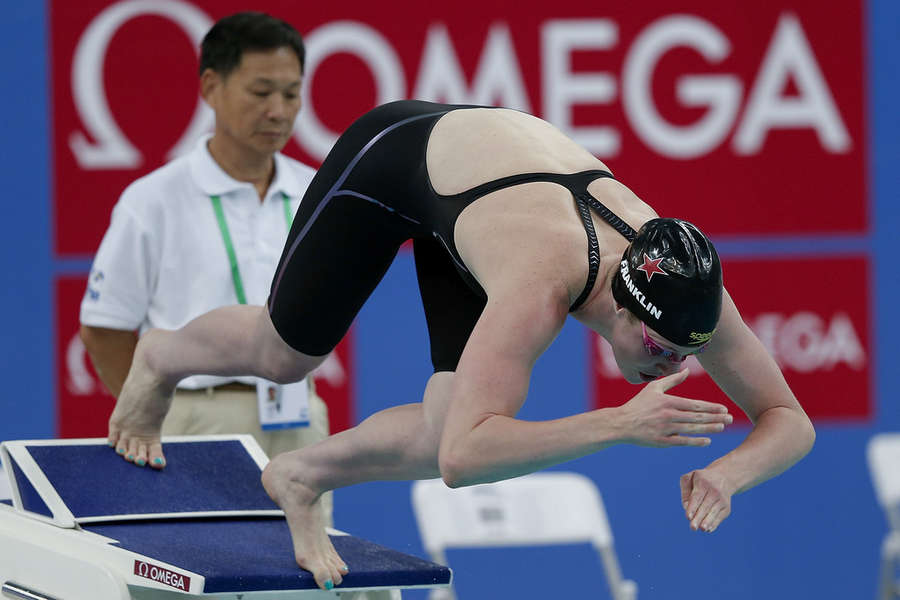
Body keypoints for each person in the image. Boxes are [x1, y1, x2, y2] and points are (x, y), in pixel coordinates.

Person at [106, 100, 816, 591]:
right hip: (400, 158)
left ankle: (303, 474)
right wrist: (619, 425)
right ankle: (162, 357)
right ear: (625, 308)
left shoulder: (690, 293)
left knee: (450, 416)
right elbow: (463, 462)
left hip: (493, 196)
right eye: (663, 348)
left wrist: (730, 475)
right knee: (286, 354)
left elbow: (792, 422)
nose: (675, 366)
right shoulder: (540, 284)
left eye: (686, 352)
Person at [80, 12, 331, 520]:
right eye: (260, 92)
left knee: (307, 581)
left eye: (291, 93)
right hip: (194, 418)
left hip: (297, 416)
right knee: (194, 578)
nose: (278, 111)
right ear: (211, 87)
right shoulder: (153, 199)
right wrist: (153, 403)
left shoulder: (319, 194)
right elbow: (104, 329)